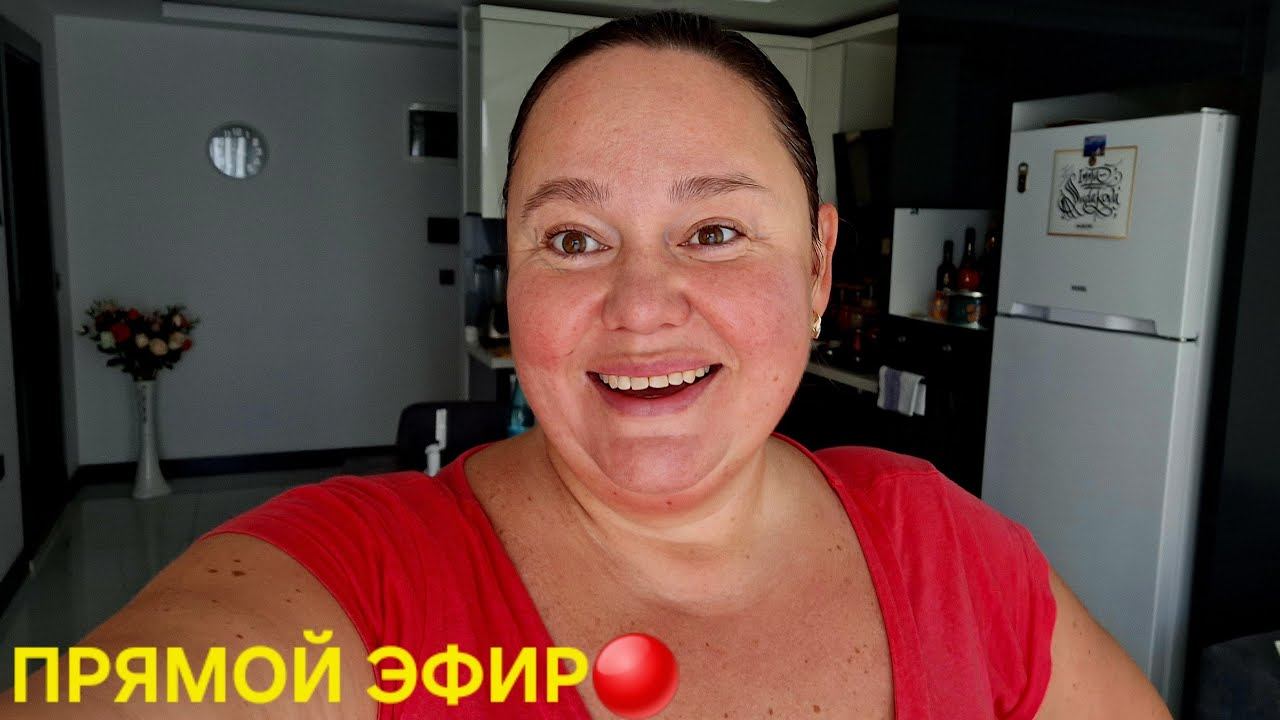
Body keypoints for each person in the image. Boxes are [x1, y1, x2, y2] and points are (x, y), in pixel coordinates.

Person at [2, 10, 1170, 719]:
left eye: (714, 230)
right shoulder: (361, 578)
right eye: (570, 240)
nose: (641, 307)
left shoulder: (948, 546)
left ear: (817, 266)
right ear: (512, 276)